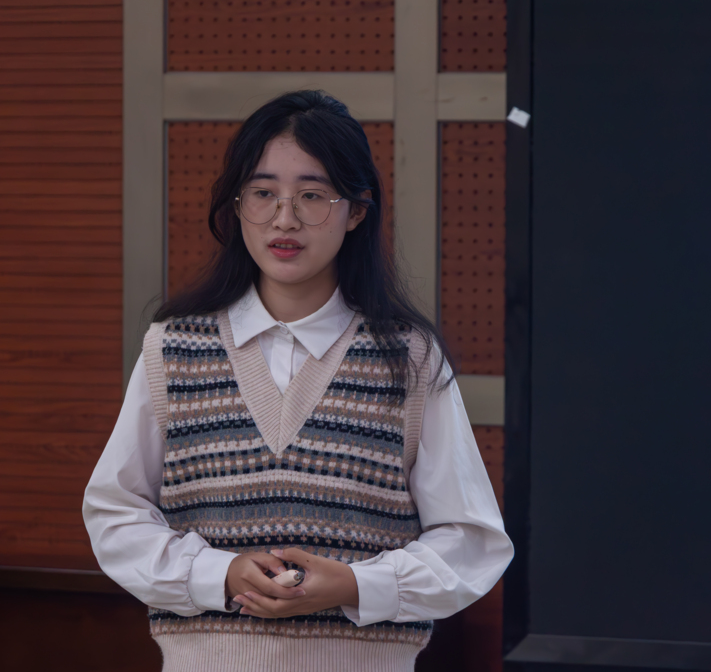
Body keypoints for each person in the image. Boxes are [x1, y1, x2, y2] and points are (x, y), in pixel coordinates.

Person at [82, 90, 513, 672]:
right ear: (237, 205)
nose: (284, 219)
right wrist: (219, 574)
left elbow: (472, 541)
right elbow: (115, 514)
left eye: (312, 196)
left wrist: (357, 586)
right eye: (263, 193)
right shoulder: (174, 348)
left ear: (356, 211)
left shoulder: (408, 359)